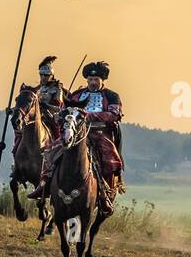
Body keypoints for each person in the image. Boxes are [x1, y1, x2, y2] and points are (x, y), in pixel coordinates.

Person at [31, 60, 124, 216]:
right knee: (51, 152)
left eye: (96, 80)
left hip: (99, 134)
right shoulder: (77, 95)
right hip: (75, 134)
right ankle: (44, 186)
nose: (92, 82)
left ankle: (105, 195)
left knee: (110, 159)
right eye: (90, 80)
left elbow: (115, 114)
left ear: (102, 80)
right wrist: (59, 115)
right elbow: (64, 109)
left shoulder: (111, 95)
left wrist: (90, 116)